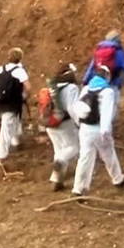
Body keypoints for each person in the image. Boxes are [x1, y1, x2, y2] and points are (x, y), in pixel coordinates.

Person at [71, 65, 124, 196]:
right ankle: (118, 179)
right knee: (109, 155)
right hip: (98, 129)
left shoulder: (86, 89)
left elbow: (79, 108)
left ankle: (78, 188)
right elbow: (106, 114)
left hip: (84, 129)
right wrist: (106, 132)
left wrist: (79, 124)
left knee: (84, 158)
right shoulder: (107, 92)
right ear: (107, 77)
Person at [82, 30, 124, 116]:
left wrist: (85, 80)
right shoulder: (118, 52)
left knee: (98, 106)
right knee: (113, 107)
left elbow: (91, 67)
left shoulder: (99, 51)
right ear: (117, 40)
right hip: (112, 83)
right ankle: (109, 123)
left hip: (97, 83)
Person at [0, 48, 31, 166]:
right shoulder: (19, 71)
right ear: (20, 58)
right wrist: (24, 96)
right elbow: (28, 87)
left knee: (14, 121)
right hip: (12, 103)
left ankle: (16, 142)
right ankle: (1, 156)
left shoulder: (1, 69)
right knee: (6, 129)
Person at [43, 63, 81, 191]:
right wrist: (80, 123)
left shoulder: (52, 86)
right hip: (65, 123)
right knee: (74, 148)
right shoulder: (71, 88)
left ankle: (57, 181)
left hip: (50, 123)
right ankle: (59, 163)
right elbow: (72, 108)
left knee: (59, 150)